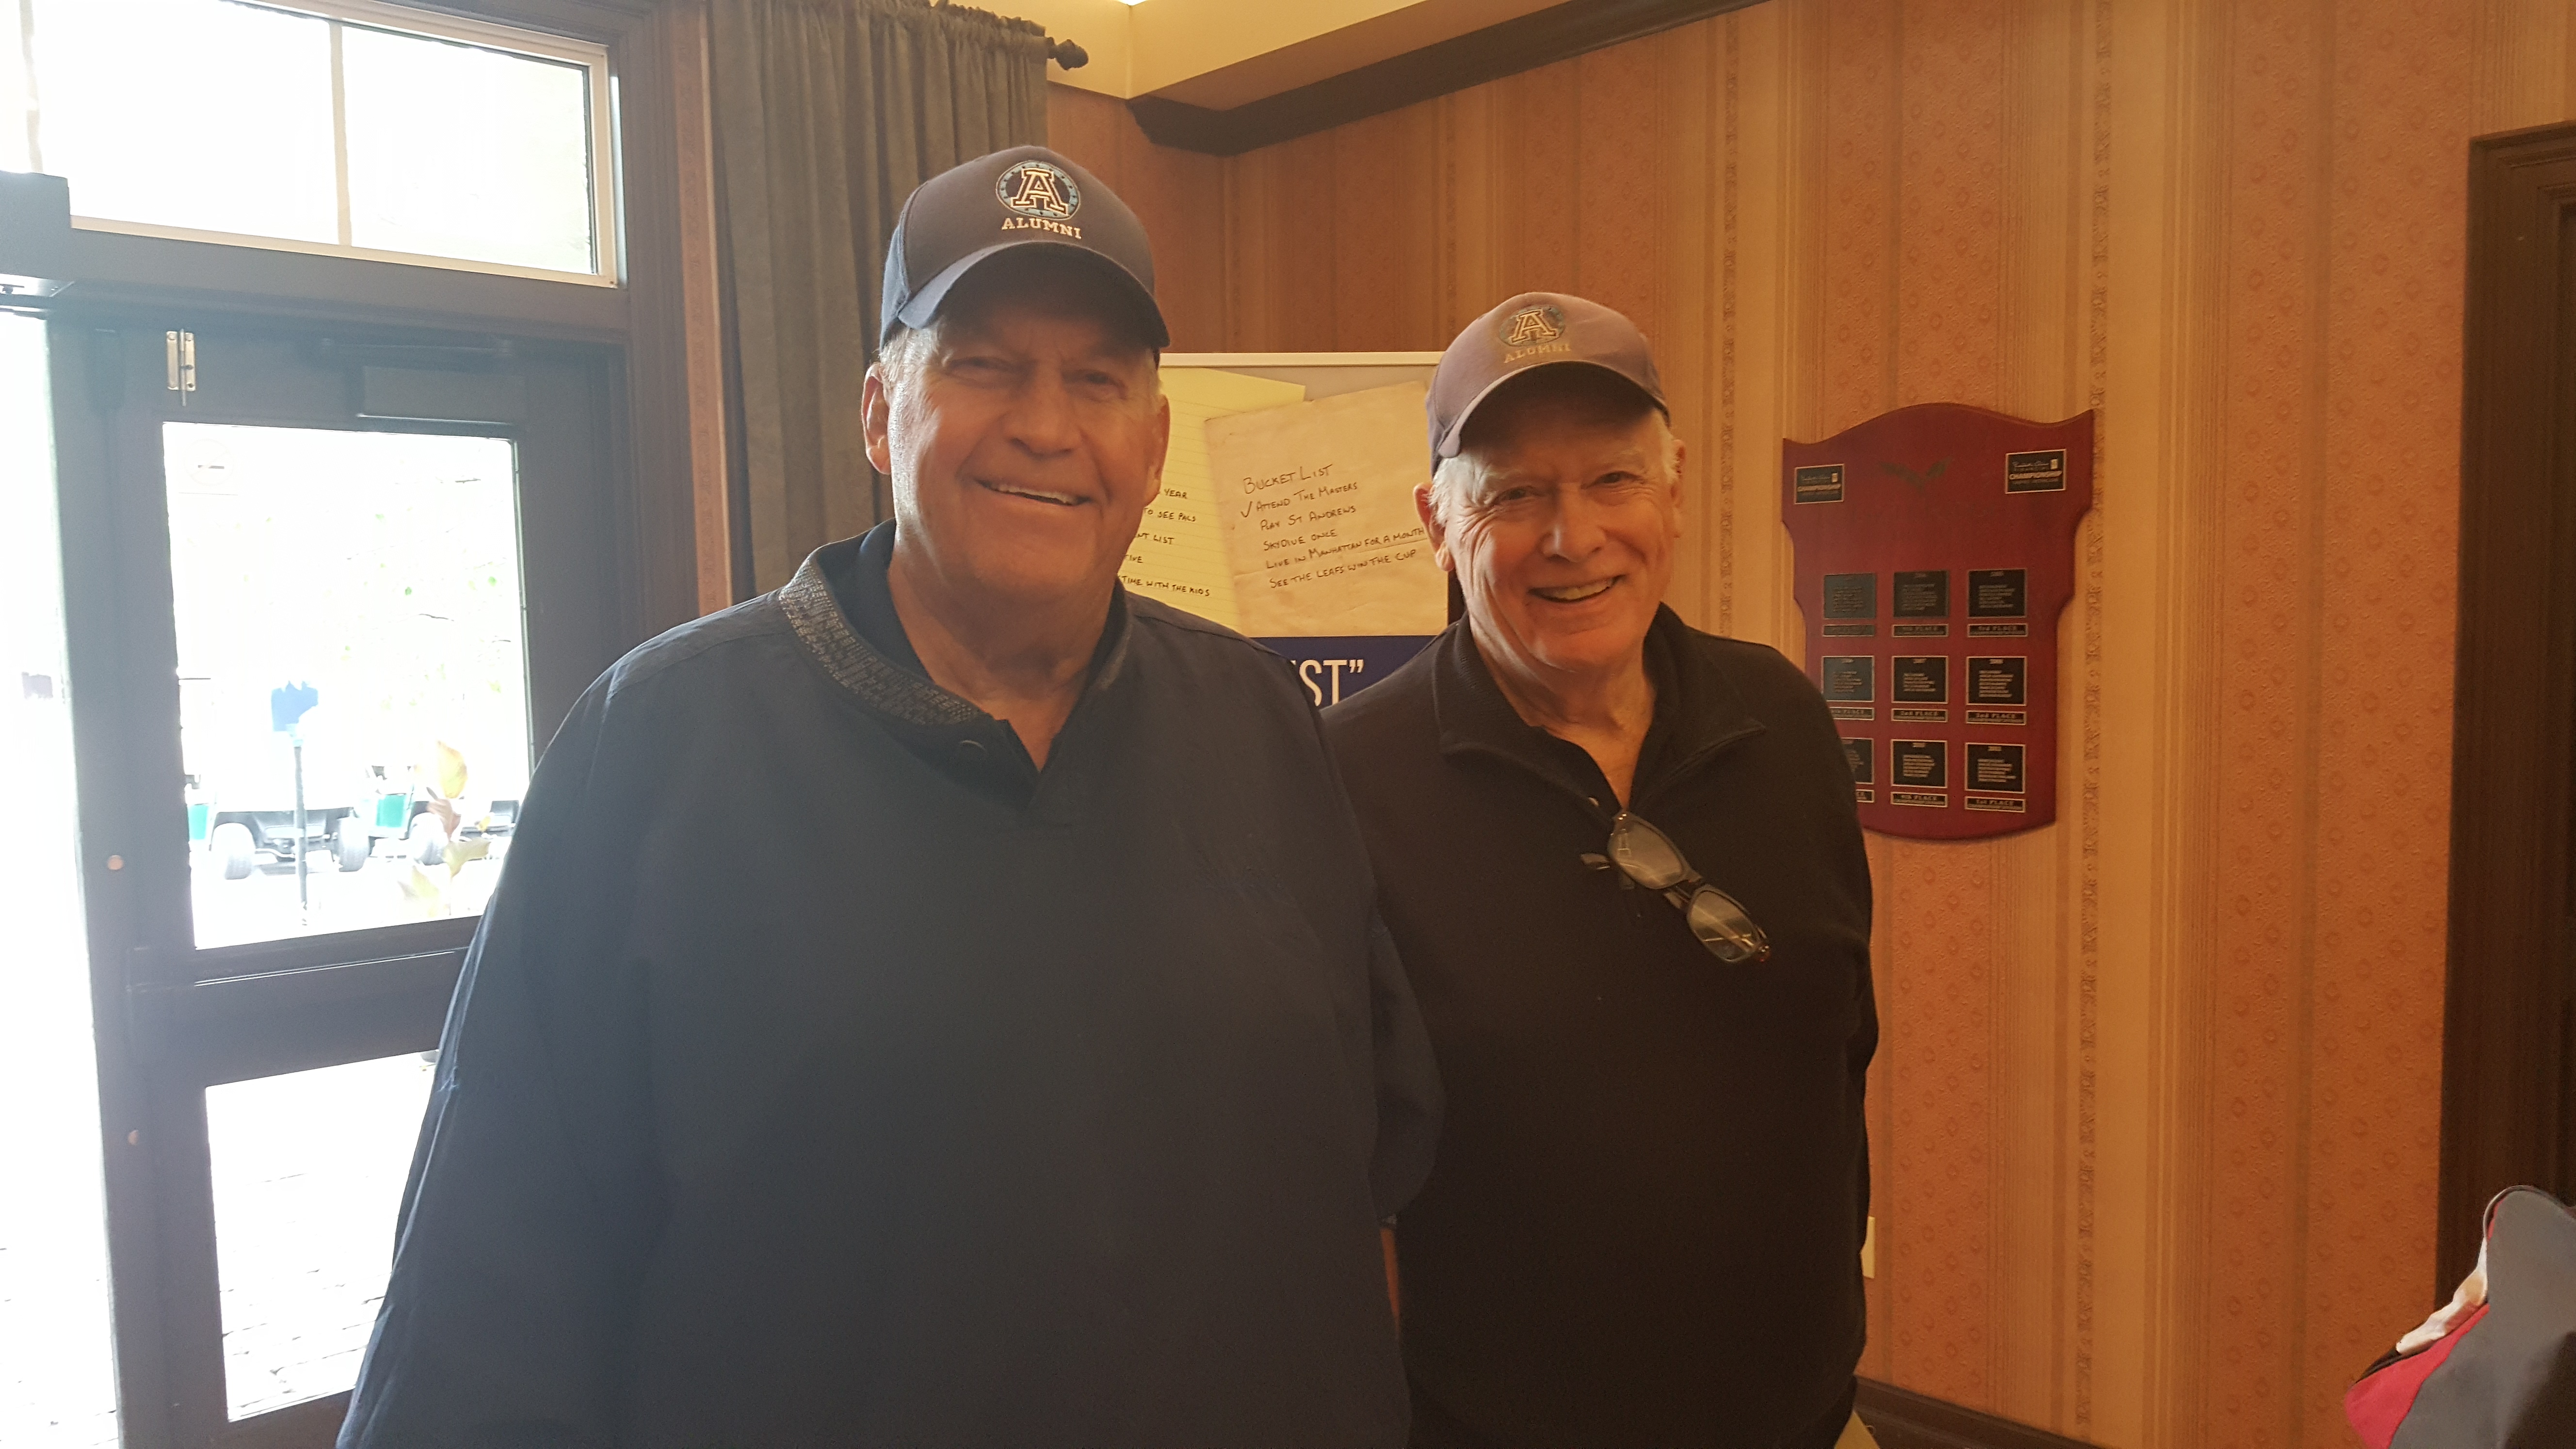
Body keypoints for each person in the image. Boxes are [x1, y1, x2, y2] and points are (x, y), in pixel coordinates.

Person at [339, 146, 1441, 1449]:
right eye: (984, 365)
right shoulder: (660, 748)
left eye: (1096, 379)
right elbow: (487, 1286)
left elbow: (1350, 1171)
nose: (1046, 425)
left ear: (1151, 445)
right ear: (880, 412)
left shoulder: (1256, 725)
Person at [1323, 293, 1876, 1449]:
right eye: (1514, 494)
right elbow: (1332, 1172)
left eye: (1612, 480)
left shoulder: (1782, 718)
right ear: (1436, 521)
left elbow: (1837, 1058)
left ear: (1674, 487)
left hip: (1802, 1415)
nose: (1572, 537)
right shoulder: (1343, 782)